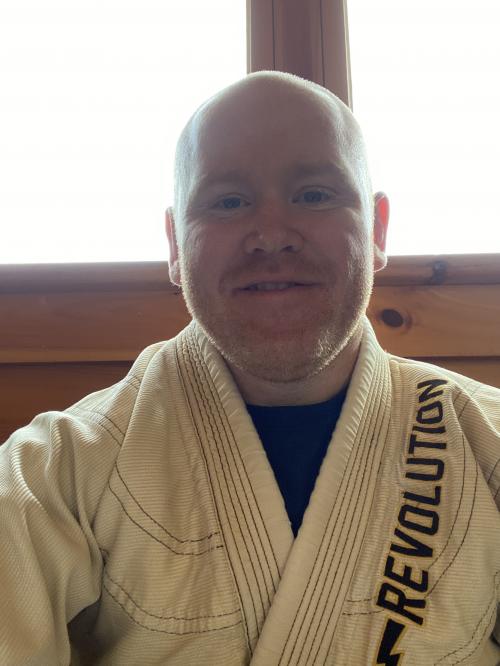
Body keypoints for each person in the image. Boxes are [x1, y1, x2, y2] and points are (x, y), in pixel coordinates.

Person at [1, 71, 499, 666]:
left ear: (377, 227)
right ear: (175, 246)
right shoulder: (52, 474)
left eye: (314, 194)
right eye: (229, 201)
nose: (271, 235)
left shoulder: (486, 442)